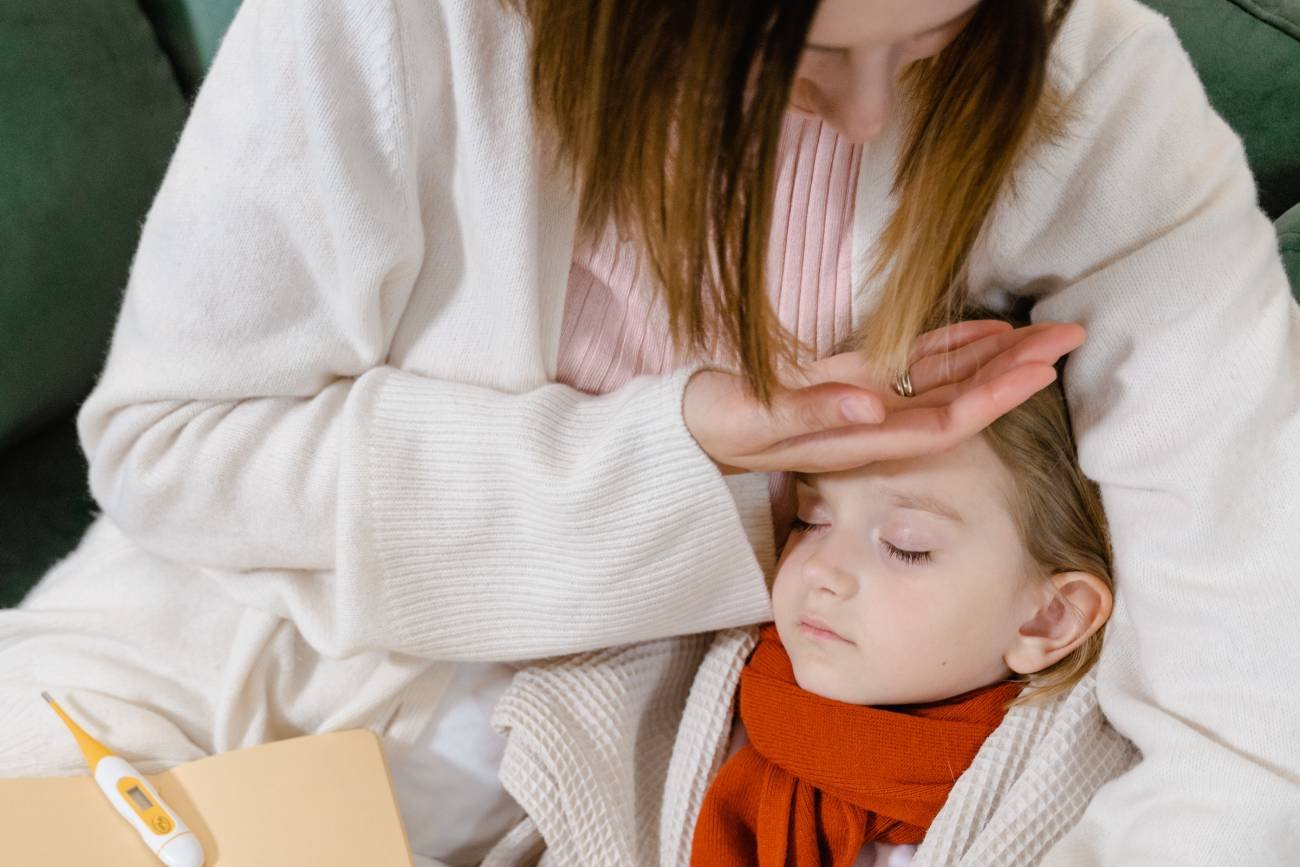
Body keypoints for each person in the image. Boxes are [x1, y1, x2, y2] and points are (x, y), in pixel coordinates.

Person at [0, 0, 1294, 864]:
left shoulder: (1092, 77)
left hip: (610, 764)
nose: (867, 116)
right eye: (809, 55)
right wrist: (690, 448)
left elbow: (1244, 656)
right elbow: (174, 447)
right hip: (206, 665)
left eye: (935, 39)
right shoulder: (396, 25)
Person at [690, 352, 1116, 865]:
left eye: (904, 546)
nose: (821, 568)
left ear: (1049, 618)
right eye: (810, 518)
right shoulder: (726, 711)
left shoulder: (1077, 818)